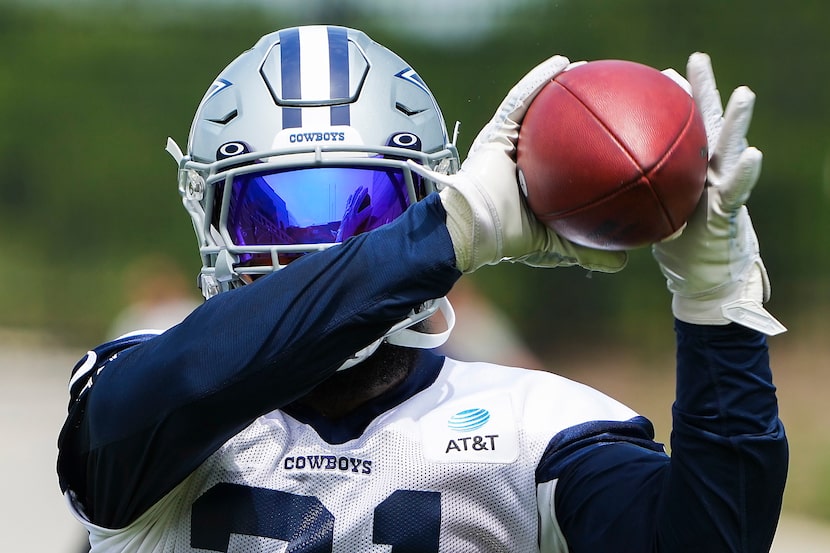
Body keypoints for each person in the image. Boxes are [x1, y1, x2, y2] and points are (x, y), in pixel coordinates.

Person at [57, 25, 788, 552]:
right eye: (269, 211)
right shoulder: (145, 395)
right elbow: (173, 385)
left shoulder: (534, 428)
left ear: (422, 195)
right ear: (214, 221)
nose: (319, 247)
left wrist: (717, 308)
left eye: (364, 208)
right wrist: (454, 229)